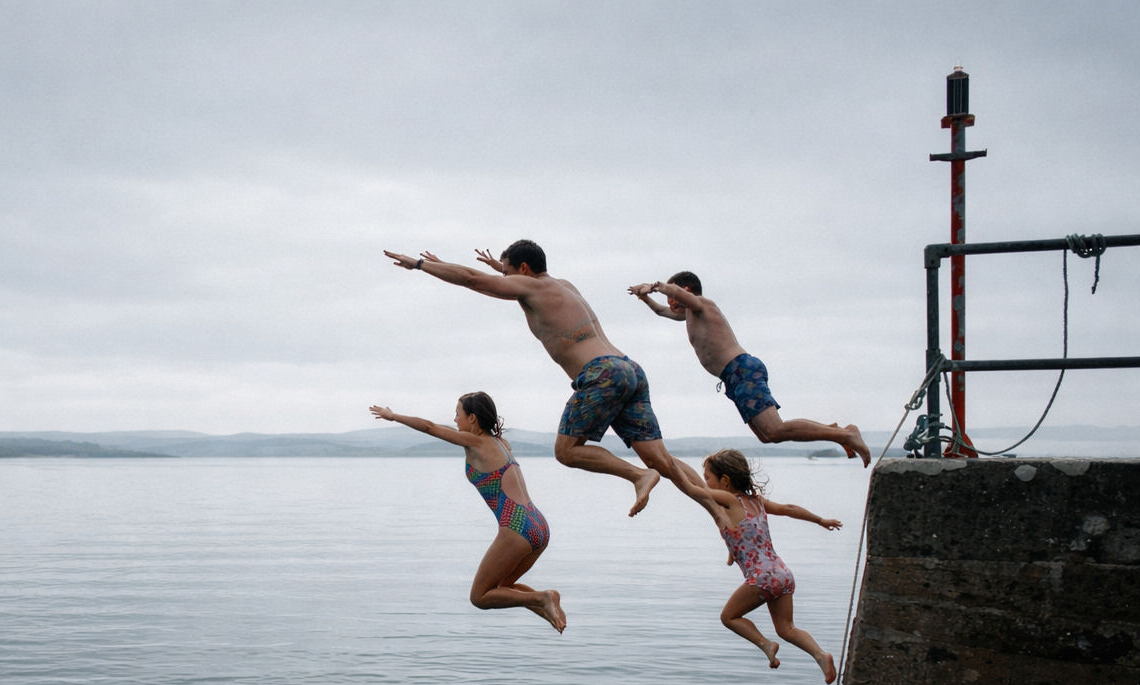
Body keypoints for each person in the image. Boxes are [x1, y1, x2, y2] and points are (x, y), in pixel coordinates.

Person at [384, 240, 714, 518]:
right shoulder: (564, 285)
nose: (505, 279)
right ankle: (722, 513)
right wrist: (492, 269)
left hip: (601, 375)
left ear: (524, 269)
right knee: (665, 460)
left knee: (567, 452)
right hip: (627, 368)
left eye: (508, 271)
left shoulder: (531, 286)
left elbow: (471, 279)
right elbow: (489, 278)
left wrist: (419, 265)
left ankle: (638, 476)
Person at [369, 392, 566, 633]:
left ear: (472, 418)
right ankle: (546, 605)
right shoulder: (502, 443)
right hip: (539, 525)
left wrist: (394, 416)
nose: (454, 419)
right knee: (504, 587)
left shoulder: (476, 443)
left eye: (457, 414)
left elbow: (431, 428)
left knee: (480, 597)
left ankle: (543, 598)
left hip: (516, 527)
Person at [629, 272, 872, 466]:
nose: (669, 303)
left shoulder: (701, 305)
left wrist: (654, 286)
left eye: (672, 297)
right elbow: (661, 311)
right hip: (733, 377)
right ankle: (833, 431)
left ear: (686, 291)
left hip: (741, 370)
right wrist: (644, 298)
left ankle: (846, 435)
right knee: (767, 436)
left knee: (775, 429)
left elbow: (673, 293)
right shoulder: (689, 315)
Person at [685, 448, 841, 683]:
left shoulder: (730, 499)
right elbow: (788, 510)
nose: (706, 483)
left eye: (708, 477)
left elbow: (692, 489)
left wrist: (666, 464)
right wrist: (820, 520)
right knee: (787, 628)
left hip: (762, 578)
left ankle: (766, 645)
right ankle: (820, 655)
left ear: (725, 481)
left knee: (729, 617)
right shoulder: (756, 502)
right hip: (783, 575)